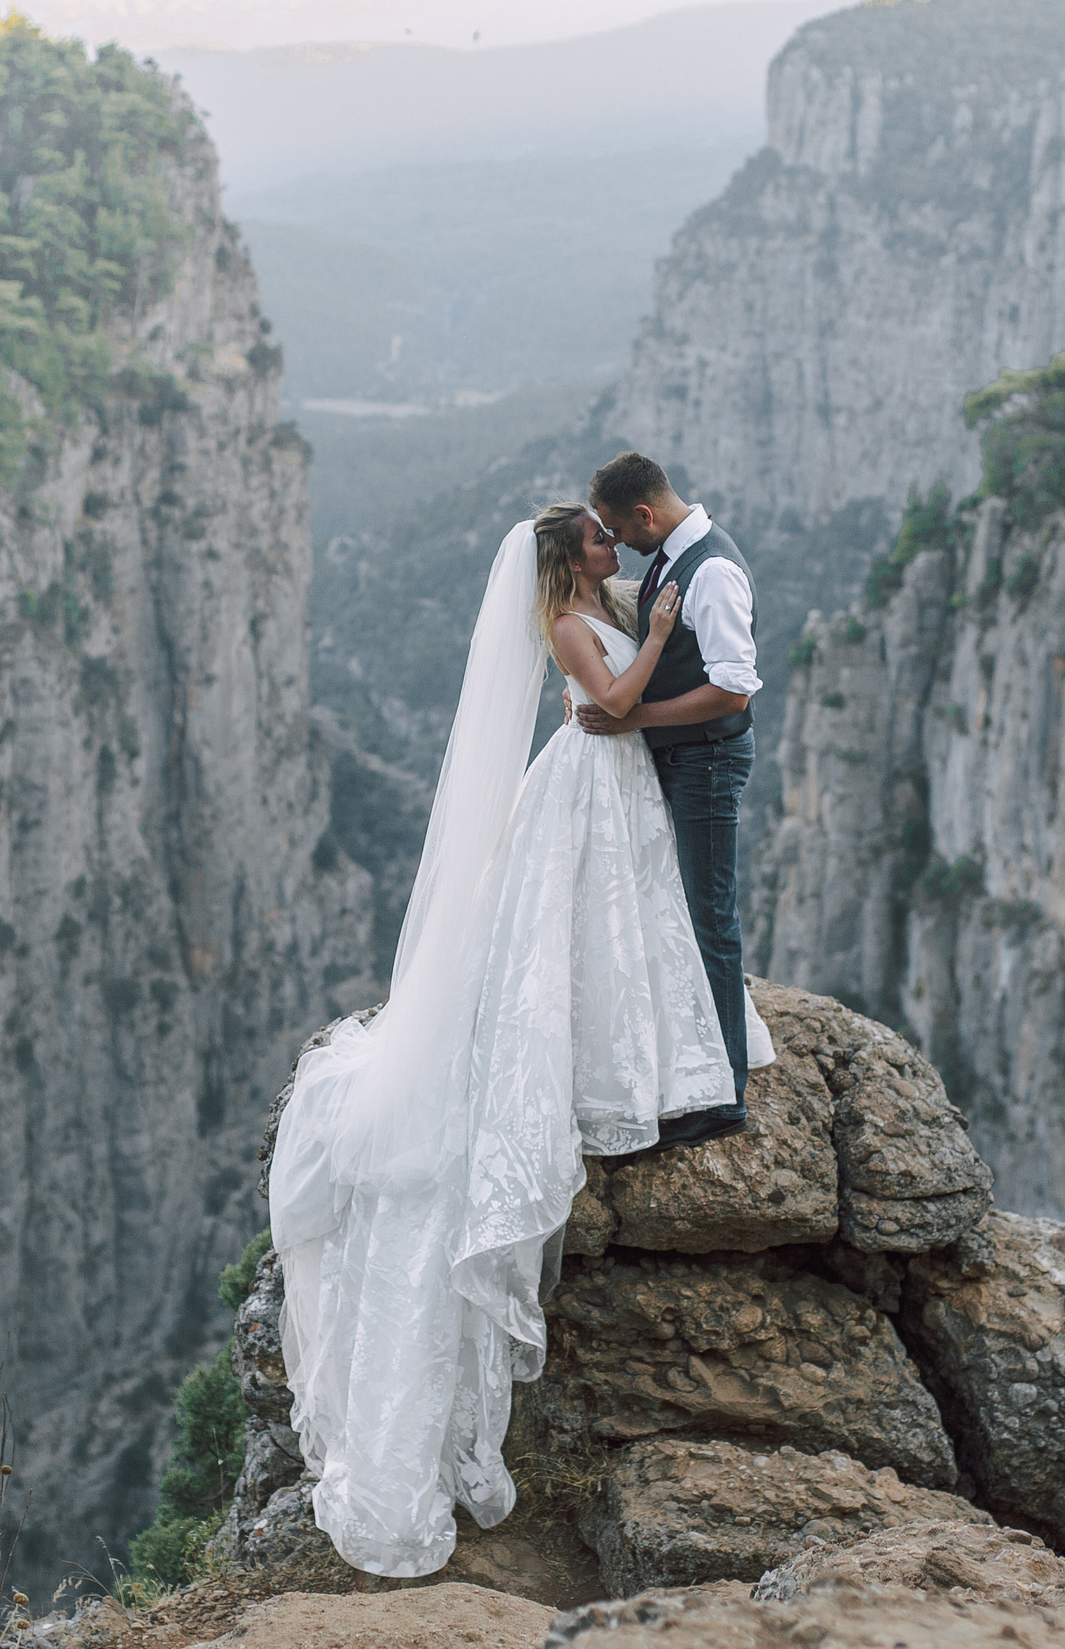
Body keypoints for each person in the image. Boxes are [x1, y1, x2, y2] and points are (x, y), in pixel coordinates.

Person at [267, 502, 772, 1578]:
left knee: (626, 917)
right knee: (563, 934)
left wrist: (672, 600)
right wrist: (655, 647)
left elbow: (657, 636)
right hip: (592, 775)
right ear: (565, 562)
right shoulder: (570, 626)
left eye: (611, 532)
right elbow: (613, 703)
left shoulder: (610, 600)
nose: (612, 548)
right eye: (597, 540)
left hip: (615, 784)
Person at [578, 450, 760, 1151]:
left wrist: (634, 719)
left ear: (646, 514)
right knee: (684, 908)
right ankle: (698, 1068)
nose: (619, 544)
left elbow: (734, 687)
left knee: (709, 913)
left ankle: (724, 1096)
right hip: (684, 759)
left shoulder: (709, 570)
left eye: (622, 531)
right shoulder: (674, 556)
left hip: (706, 760)